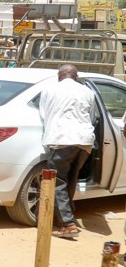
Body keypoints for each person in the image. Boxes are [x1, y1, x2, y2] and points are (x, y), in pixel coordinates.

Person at [39, 64, 97, 239]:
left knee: (58, 181)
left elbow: (43, 114)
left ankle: (67, 224)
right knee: (70, 178)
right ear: (76, 77)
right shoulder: (88, 92)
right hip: (85, 141)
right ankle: (66, 216)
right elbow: (93, 116)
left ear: (59, 76)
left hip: (62, 139)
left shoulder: (49, 89)